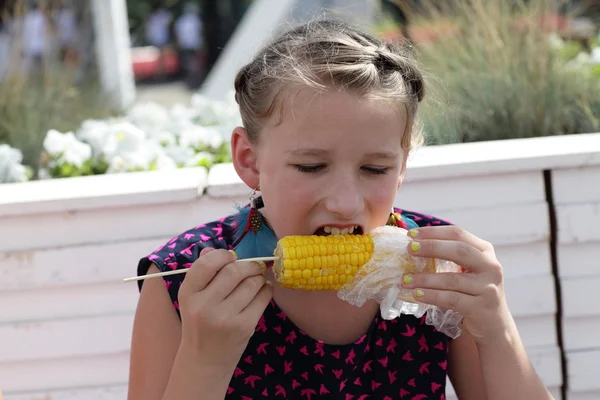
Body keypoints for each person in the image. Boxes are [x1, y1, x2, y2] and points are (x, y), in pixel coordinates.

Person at [128, 18, 554, 400]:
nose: (345, 203)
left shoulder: (436, 272)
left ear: (402, 166)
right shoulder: (181, 281)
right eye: (311, 166)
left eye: (375, 168)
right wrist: (205, 362)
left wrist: (497, 331)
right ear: (249, 160)